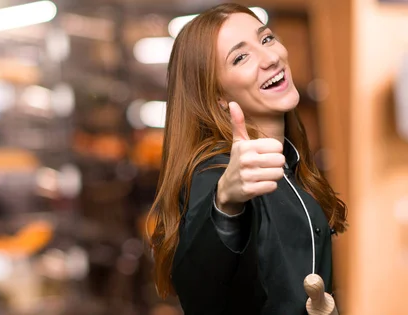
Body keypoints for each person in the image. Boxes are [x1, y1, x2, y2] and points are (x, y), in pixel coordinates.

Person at [148, 3, 347, 314]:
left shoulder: (291, 163)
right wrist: (225, 204)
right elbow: (200, 292)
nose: (271, 58)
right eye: (241, 57)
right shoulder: (216, 174)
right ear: (216, 96)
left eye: (266, 39)